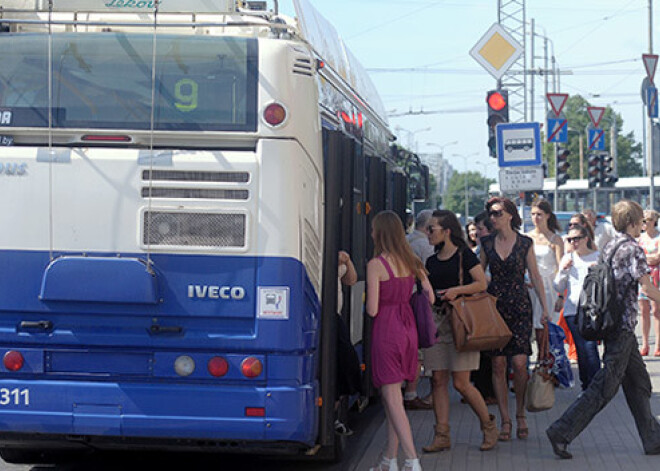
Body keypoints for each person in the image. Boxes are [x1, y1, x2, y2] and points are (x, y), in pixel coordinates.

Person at [547, 200, 660, 459]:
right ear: (633, 222)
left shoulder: (610, 245)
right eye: (640, 220)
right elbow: (647, 288)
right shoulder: (633, 249)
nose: (643, 225)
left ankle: (653, 438)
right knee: (604, 387)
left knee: (640, 384)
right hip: (620, 327)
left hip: (615, 324)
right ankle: (561, 431)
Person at [422, 210, 498, 453]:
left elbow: (481, 283)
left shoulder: (465, 255)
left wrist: (456, 291)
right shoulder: (431, 261)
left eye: (431, 229)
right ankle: (441, 434)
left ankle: (488, 425)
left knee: (462, 383)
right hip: (438, 321)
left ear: (447, 231)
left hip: (462, 322)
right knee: (438, 380)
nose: (427, 233)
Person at [367, 210, 434, 471]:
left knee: (393, 398)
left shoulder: (376, 265)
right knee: (392, 397)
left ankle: (412, 460)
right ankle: (389, 460)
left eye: (374, 229)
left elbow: (372, 309)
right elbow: (431, 298)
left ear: (380, 233)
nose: (371, 233)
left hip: (387, 330)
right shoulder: (413, 261)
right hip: (409, 331)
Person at [480, 197, 549, 442]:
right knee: (498, 365)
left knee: (520, 364)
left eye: (498, 213)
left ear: (510, 215)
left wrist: (544, 308)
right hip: (495, 309)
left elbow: (536, 276)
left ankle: (520, 413)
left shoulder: (524, 243)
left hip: (520, 306)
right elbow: (479, 276)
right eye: (491, 213)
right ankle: (505, 419)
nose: (493, 217)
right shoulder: (486, 243)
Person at [553, 224, 601, 390]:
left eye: (577, 238)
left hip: (593, 309)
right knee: (581, 349)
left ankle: (596, 386)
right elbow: (558, 287)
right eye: (570, 239)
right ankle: (586, 386)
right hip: (572, 310)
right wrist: (563, 271)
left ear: (586, 239)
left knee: (590, 347)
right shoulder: (568, 258)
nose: (573, 242)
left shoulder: (598, 256)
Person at [403, 210, 435, 410]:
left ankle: (406, 389)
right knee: (422, 348)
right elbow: (430, 277)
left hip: (405, 299)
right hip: (421, 300)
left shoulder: (406, 241)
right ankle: (413, 393)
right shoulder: (426, 246)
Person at [526, 199, 564, 361]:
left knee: (545, 325)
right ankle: (536, 362)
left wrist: (561, 295)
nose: (536, 218)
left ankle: (545, 361)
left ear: (547, 216)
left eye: (539, 214)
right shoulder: (526, 237)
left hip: (549, 286)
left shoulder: (555, 239)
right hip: (529, 284)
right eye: (533, 214)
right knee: (531, 326)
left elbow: (561, 268)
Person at [470, 211, 496, 405]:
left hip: (488, 301)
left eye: (480, 229)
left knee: (489, 351)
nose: (476, 233)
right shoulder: (480, 248)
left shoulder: (489, 249)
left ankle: (488, 392)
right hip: (482, 301)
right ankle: (483, 390)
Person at [334, 250, 360, 436]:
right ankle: (332, 419)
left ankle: (333, 416)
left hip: (336, 317)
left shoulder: (338, 253)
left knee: (345, 364)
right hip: (325, 317)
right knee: (344, 364)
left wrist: (348, 260)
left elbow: (351, 280)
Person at [638, 209, 660, 357]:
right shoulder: (639, 238)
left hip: (656, 276)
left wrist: (647, 258)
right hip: (642, 275)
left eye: (647, 220)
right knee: (643, 311)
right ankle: (645, 344)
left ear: (654, 221)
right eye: (643, 220)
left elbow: (657, 257)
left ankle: (658, 344)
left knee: (656, 311)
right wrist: (648, 258)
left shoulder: (658, 237)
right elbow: (638, 256)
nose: (644, 223)